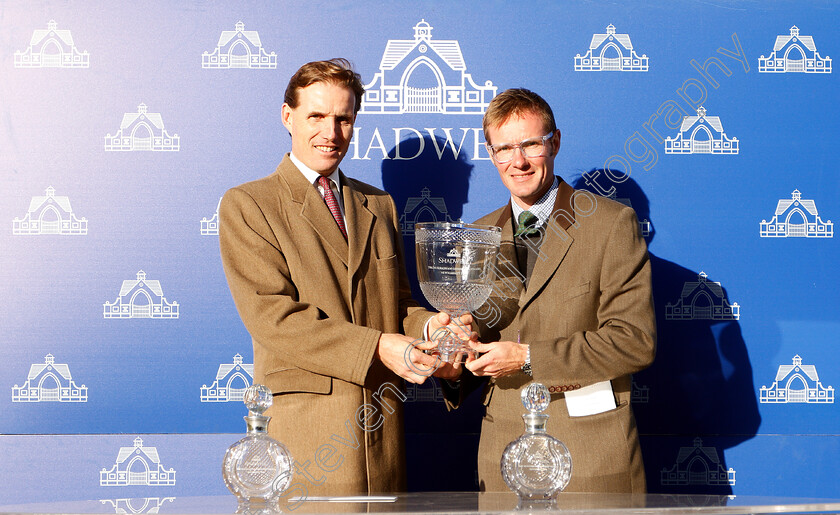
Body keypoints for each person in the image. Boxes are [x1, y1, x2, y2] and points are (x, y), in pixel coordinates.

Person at [219, 59, 462, 497]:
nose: (331, 133)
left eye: (343, 118)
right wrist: (378, 346)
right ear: (287, 116)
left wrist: (429, 327)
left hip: (380, 432)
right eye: (317, 116)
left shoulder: (378, 203)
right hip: (305, 437)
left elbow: (398, 304)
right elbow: (274, 318)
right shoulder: (248, 204)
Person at [451, 88, 656, 493]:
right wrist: (456, 357)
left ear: (555, 143)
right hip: (501, 454)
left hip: (590, 454)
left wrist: (528, 358)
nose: (518, 161)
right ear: (491, 155)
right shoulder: (475, 237)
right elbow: (475, 345)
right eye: (504, 148)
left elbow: (635, 342)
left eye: (530, 144)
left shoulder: (610, 224)